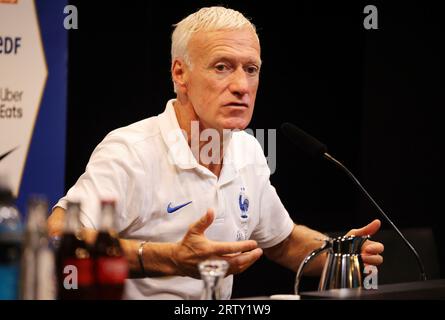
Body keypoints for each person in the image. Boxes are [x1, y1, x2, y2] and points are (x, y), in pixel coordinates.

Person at [48, 6, 384, 299]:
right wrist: (171, 258)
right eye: (222, 67)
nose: (241, 86)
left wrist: (338, 251)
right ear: (180, 74)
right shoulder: (131, 151)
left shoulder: (248, 150)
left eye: (250, 69)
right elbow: (57, 234)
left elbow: (282, 241)